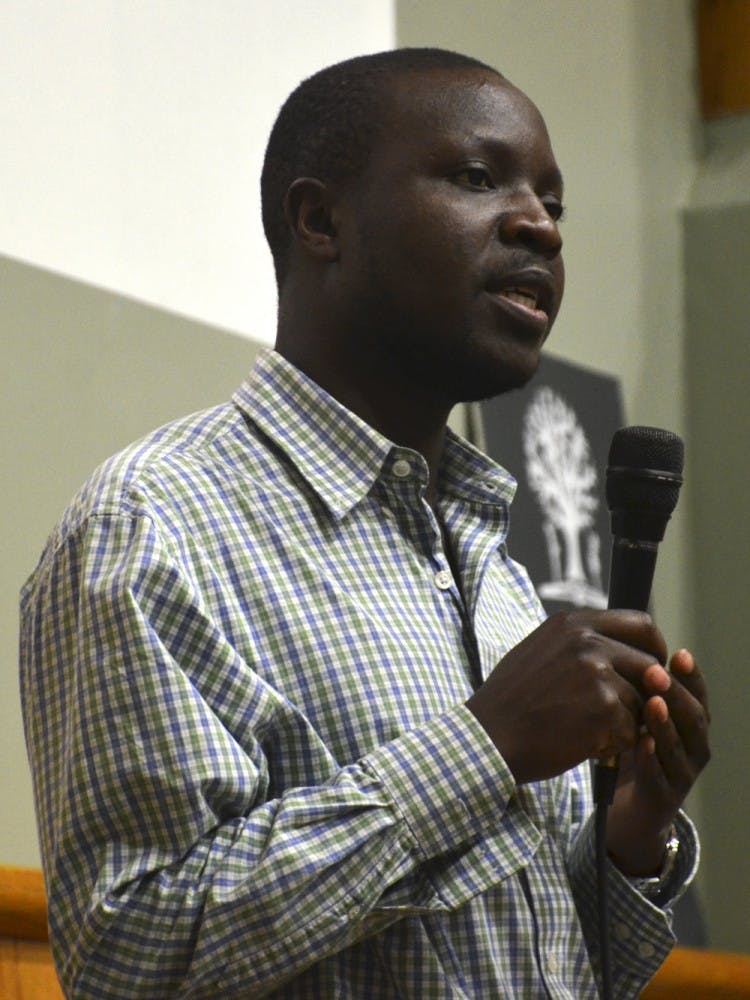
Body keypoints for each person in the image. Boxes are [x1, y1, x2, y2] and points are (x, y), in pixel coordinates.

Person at [20, 48, 710, 998]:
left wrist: (628, 842)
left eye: (554, 202)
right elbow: (130, 957)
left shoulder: (490, 567)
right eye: (478, 178)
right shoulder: (157, 526)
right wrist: (485, 744)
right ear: (320, 220)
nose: (539, 227)